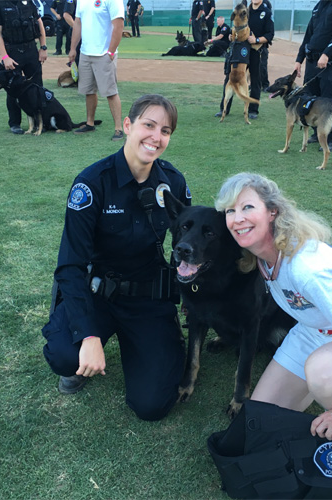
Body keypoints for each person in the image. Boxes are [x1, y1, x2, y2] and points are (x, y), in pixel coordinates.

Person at [214, 172, 332, 441]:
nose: (238, 218)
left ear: (272, 212)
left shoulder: (307, 268)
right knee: (259, 423)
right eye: (230, 210)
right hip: (314, 330)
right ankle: (320, 388)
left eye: (248, 207)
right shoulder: (261, 255)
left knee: (323, 374)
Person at [42, 94, 191, 421]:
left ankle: (153, 344)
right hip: (98, 293)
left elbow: (187, 248)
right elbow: (70, 266)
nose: (156, 137)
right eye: (148, 125)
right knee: (65, 354)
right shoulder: (93, 184)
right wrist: (88, 335)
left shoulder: (174, 183)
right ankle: (81, 356)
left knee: (152, 405)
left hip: (148, 296)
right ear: (128, 125)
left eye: (165, 131)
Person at [294, 0, 332, 149]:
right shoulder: (319, 5)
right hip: (312, 61)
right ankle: (317, 132)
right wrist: (299, 60)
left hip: (330, 62)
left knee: (328, 101)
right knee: (311, 98)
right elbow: (308, 35)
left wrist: (327, 53)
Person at [68, 0, 125, 141]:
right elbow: (78, 23)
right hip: (86, 52)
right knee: (89, 90)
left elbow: (118, 26)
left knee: (110, 91)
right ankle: (90, 123)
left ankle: (118, 128)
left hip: (104, 53)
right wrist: (73, 48)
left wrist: (111, 52)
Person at [0, 0, 48, 135]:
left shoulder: (30, 2)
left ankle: (40, 122)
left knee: (37, 87)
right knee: (12, 88)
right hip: (11, 51)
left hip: (30, 49)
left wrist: (43, 47)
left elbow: (39, 23)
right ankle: (15, 123)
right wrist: (5, 57)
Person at [215, 0, 273, 120]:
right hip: (240, 49)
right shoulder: (244, 10)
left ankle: (253, 110)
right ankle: (224, 108)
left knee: (255, 78)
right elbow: (236, 27)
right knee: (230, 77)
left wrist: (256, 40)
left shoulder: (266, 12)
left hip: (255, 50)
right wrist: (231, 36)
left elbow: (270, 34)